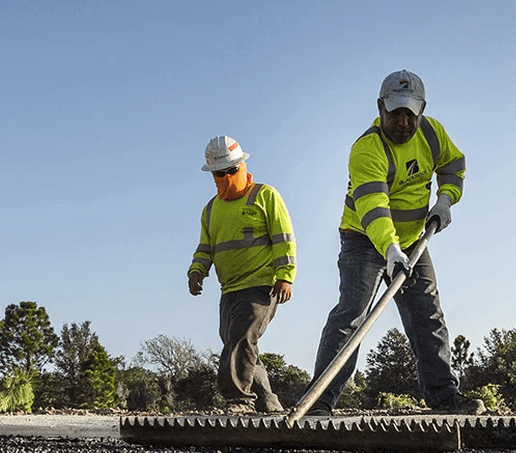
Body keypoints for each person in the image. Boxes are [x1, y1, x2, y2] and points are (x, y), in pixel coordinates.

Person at [308, 70, 484, 416]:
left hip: (413, 239)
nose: (402, 122)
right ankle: (319, 401)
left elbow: (454, 165)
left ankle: (444, 397)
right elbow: (373, 208)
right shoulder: (367, 150)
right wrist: (390, 250)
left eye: (410, 114)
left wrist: (447, 199)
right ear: (380, 108)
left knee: (427, 314)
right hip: (364, 240)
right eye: (395, 113)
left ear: (421, 110)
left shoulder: (432, 133)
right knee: (353, 314)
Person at [188, 135, 296, 415]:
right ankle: (268, 403)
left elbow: (284, 239)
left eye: (231, 171)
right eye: (219, 173)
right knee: (237, 341)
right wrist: (197, 270)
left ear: (242, 166)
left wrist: (285, 275)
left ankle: (238, 400)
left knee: (241, 337)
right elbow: (205, 247)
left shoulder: (265, 195)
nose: (226, 177)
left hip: (261, 286)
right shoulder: (211, 210)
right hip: (230, 289)